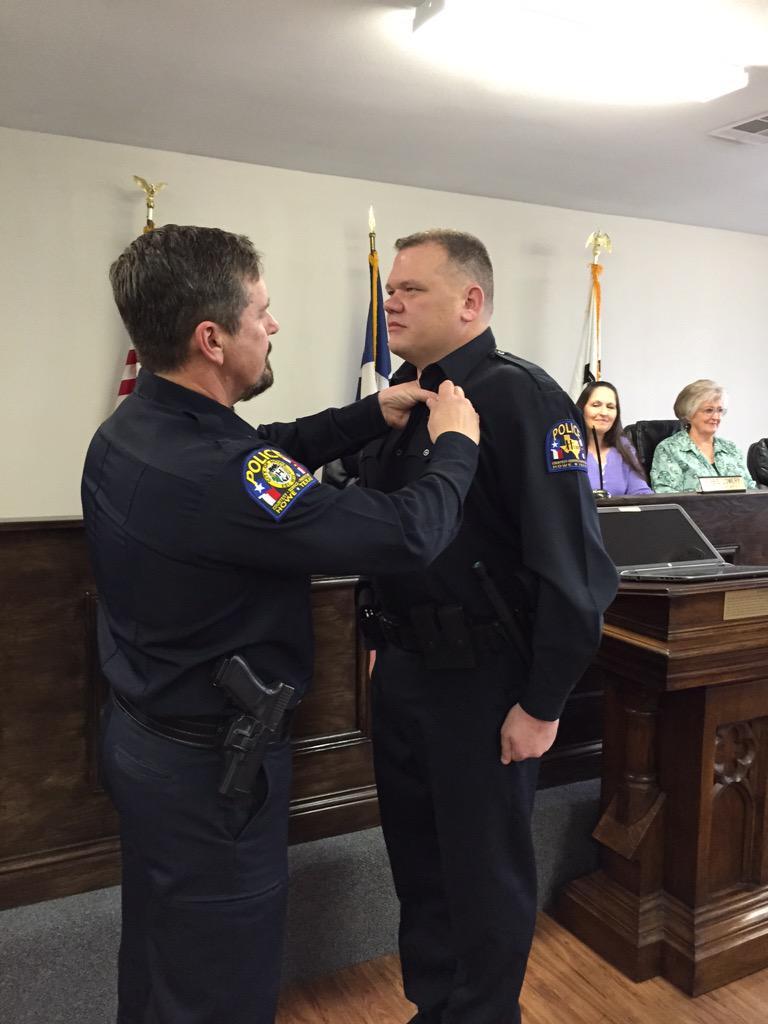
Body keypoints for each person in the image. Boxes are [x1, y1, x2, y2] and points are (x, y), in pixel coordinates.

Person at [80, 224, 482, 1024]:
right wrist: (456, 450)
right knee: (220, 982)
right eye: (259, 312)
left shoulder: (136, 430)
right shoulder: (218, 476)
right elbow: (404, 536)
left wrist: (367, 415)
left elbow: (265, 450)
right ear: (211, 339)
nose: (273, 325)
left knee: (163, 956)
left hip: (146, 742)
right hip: (211, 775)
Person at [357, 229, 618, 1024]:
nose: (392, 302)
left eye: (412, 289)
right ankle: (434, 1007)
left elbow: (576, 572)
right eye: (390, 290)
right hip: (406, 670)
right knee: (419, 866)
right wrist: (379, 641)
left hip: (485, 682)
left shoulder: (521, 397)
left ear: (471, 301)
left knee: (482, 874)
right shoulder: (405, 396)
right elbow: (390, 532)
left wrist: (543, 703)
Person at [650, 379, 756, 492]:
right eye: (709, 410)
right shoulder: (669, 449)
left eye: (720, 410)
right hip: (692, 505)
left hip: (739, 504)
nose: (716, 417)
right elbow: (665, 492)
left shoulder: (731, 448)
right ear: (689, 414)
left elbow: (750, 490)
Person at [576, 380, 652, 496]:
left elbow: (641, 492)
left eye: (610, 407)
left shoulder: (624, 446)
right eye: (596, 405)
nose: (604, 412)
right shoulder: (566, 447)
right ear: (581, 409)